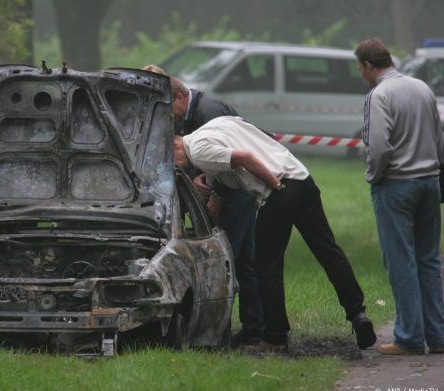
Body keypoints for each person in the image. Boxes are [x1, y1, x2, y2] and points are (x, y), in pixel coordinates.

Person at [173, 115, 377, 353]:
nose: (179, 167)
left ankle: (275, 337)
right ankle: (357, 313)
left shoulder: (198, 150)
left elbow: (245, 158)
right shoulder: (215, 125)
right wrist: (210, 183)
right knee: (328, 251)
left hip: (278, 189)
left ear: (176, 145)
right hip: (302, 178)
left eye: (175, 162)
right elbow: (236, 163)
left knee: (266, 267)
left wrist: (275, 185)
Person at [153, 68, 265, 345]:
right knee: (245, 263)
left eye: (170, 110)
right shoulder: (193, 111)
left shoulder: (208, 112)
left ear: (179, 97)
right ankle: (255, 326)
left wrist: (213, 190)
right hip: (231, 192)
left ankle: (218, 331)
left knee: (225, 260)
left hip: (236, 194)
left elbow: (227, 156)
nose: (172, 118)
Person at [355, 37, 444, 355]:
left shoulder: (379, 94)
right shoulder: (421, 87)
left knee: (401, 260)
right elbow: (439, 135)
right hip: (429, 182)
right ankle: (439, 335)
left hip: (395, 185)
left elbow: (377, 144)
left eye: (361, 69)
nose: (362, 76)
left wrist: (374, 176)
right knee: (429, 260)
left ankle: (408, 337)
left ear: (368, 65)